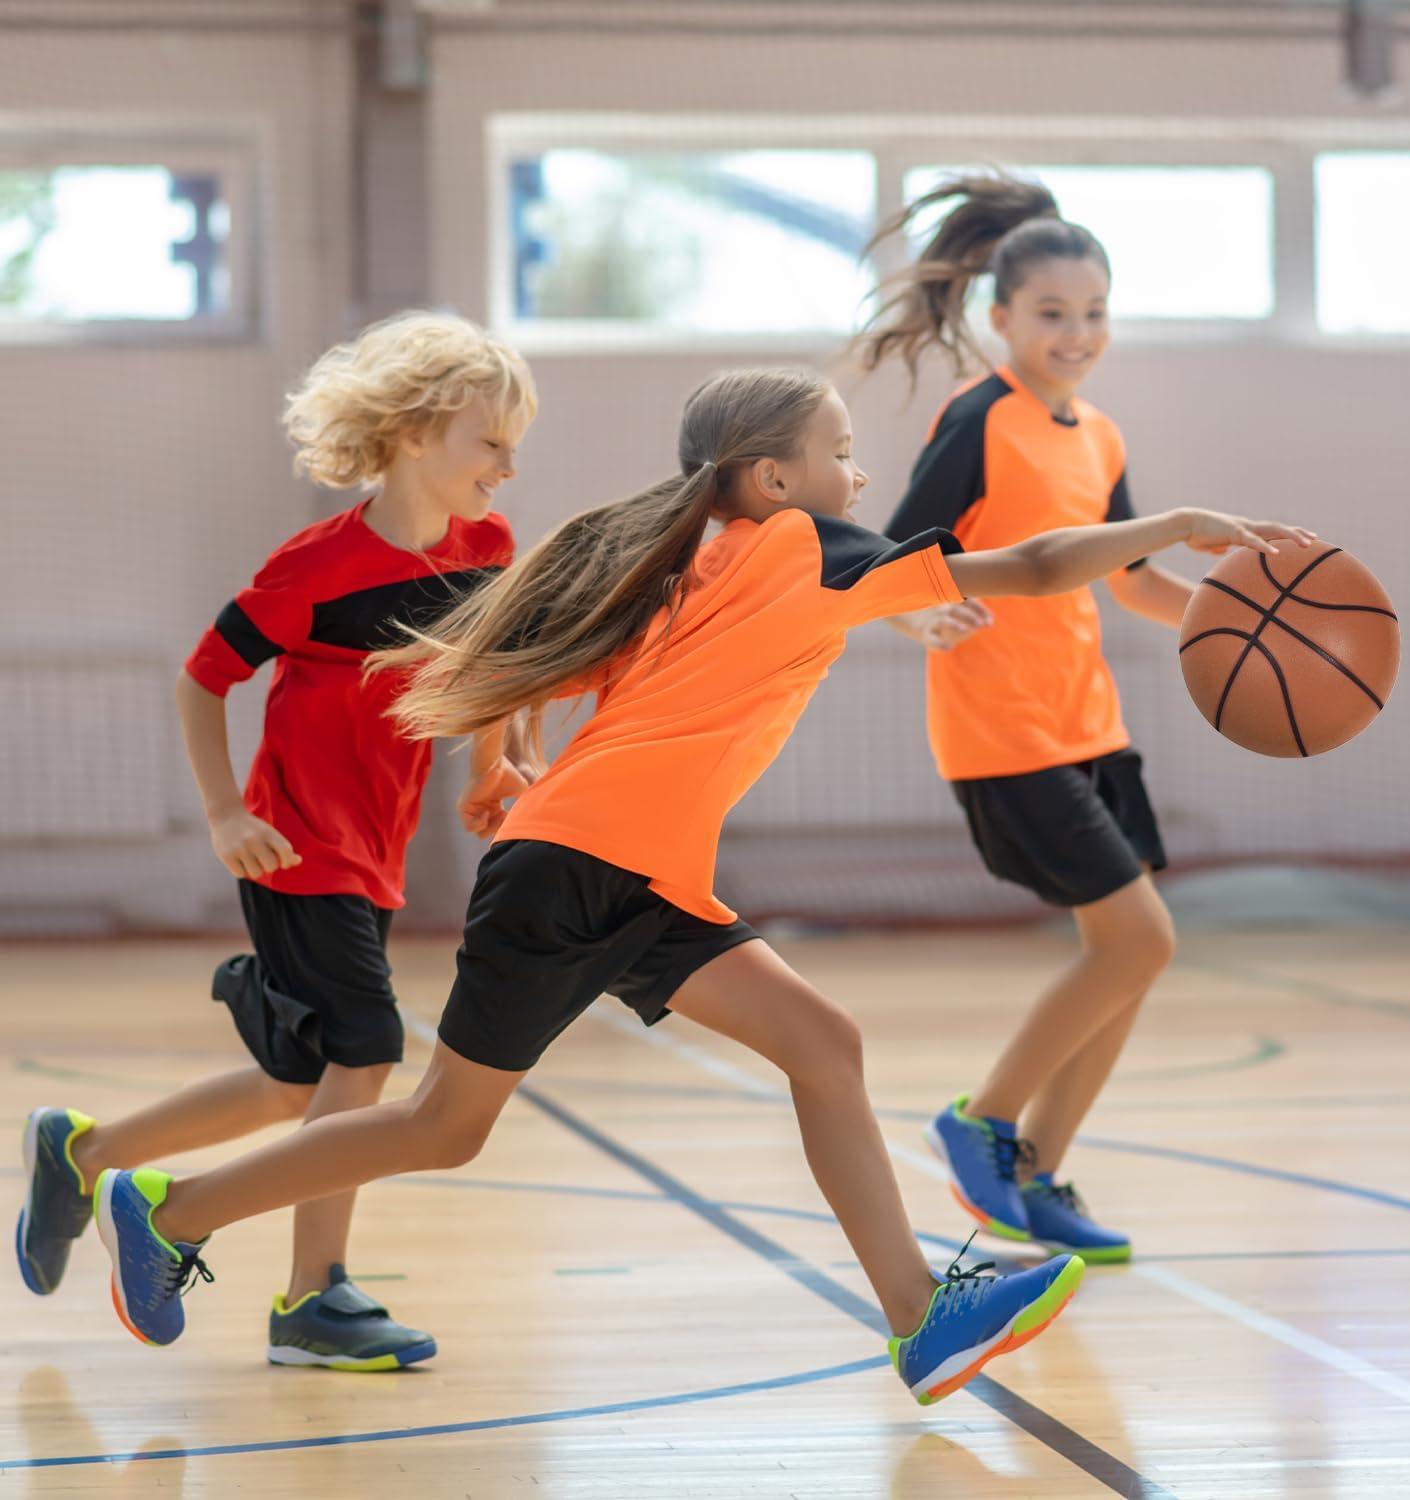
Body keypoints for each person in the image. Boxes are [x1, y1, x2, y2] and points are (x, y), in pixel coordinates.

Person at [90, 366, 1310, 1403]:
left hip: (637, 877)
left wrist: (504, 759)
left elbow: (558, 669)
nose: (861, 477)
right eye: (842, 453)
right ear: (774, 480)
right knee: (442, 1129)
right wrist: (1165, 528)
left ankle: (921, 1317)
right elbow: (1035, 564)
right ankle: (172, 1210)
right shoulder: (804, 548)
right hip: (577, 869)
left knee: (823, 1044)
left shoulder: (701, 565)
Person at [17, 310, 536, 1369]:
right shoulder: (315, 568)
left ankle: (85, 1155)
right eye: (492, 442)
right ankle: (313, 1298)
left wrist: (495, 768)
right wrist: (222, 813)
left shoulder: (487, 550)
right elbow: (202, 677)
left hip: (376, 845)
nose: (508, 466)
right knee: (369, 1053)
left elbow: (490, 675)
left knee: (295, 1082)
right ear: (414, 436)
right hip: (297, 845)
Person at [861, 172, 1228, 1264]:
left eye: (1094, 313)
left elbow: (1135, 582)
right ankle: (983, 1121)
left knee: (1129, 956)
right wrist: (912, 621)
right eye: (1054, 314)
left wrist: (1244, 615)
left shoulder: (1099, 437)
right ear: (1001, 318)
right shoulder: (982, 420)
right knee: (1139, 939)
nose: (1076, 334)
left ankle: (1038, 1175)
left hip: (1090, 725)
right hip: (1000, 727)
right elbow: (887, 564)